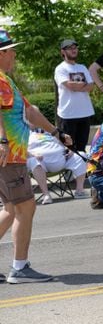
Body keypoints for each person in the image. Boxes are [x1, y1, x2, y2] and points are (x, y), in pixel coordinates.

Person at [0, 29, 72, 283]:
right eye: (11, 50)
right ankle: (19, 269)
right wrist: (1, 141)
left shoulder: (8, 81)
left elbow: (30, 112)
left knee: (11, 210)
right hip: (11, 155)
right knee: (25, 207)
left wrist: (56, 132)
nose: (15, 54)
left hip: (13, 155)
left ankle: (19, 266)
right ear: (1, 53)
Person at [54, 39, 95, 154]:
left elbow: (91, 86)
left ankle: (82, 171)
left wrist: (77, 86)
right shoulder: (60, 68)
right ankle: (69, 172)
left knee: (82, 149)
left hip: (85, 113)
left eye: (75, 47)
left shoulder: (82, 67)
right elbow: (70, 86)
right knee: (69, 149)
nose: (73, 50)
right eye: (70, 48)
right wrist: (83, 85)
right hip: (68, 115)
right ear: (63, 52)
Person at [27, 128, 87, 204]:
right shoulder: (24, 133)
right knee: (33, 161)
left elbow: (65, 142)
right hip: (42, 162)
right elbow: (21, 149)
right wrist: (33, 155)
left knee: (81, 155)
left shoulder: (50, 130)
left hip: (63, 159)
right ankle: (46, 195)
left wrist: (69, 149)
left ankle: (80, 191)